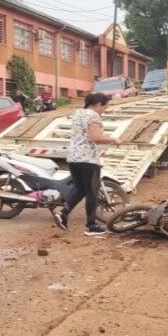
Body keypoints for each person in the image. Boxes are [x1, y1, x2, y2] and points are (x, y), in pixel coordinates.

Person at [54, 93, 122, 237]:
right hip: (88, 159)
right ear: (98, 104)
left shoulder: (78, 114)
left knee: (80, 190)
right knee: (92, 192)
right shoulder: (93, 116)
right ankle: (91, 226)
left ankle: (63, 214)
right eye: (104, 107)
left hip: (73, 158)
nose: (104, 110)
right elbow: (94, 137)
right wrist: (113, 140)